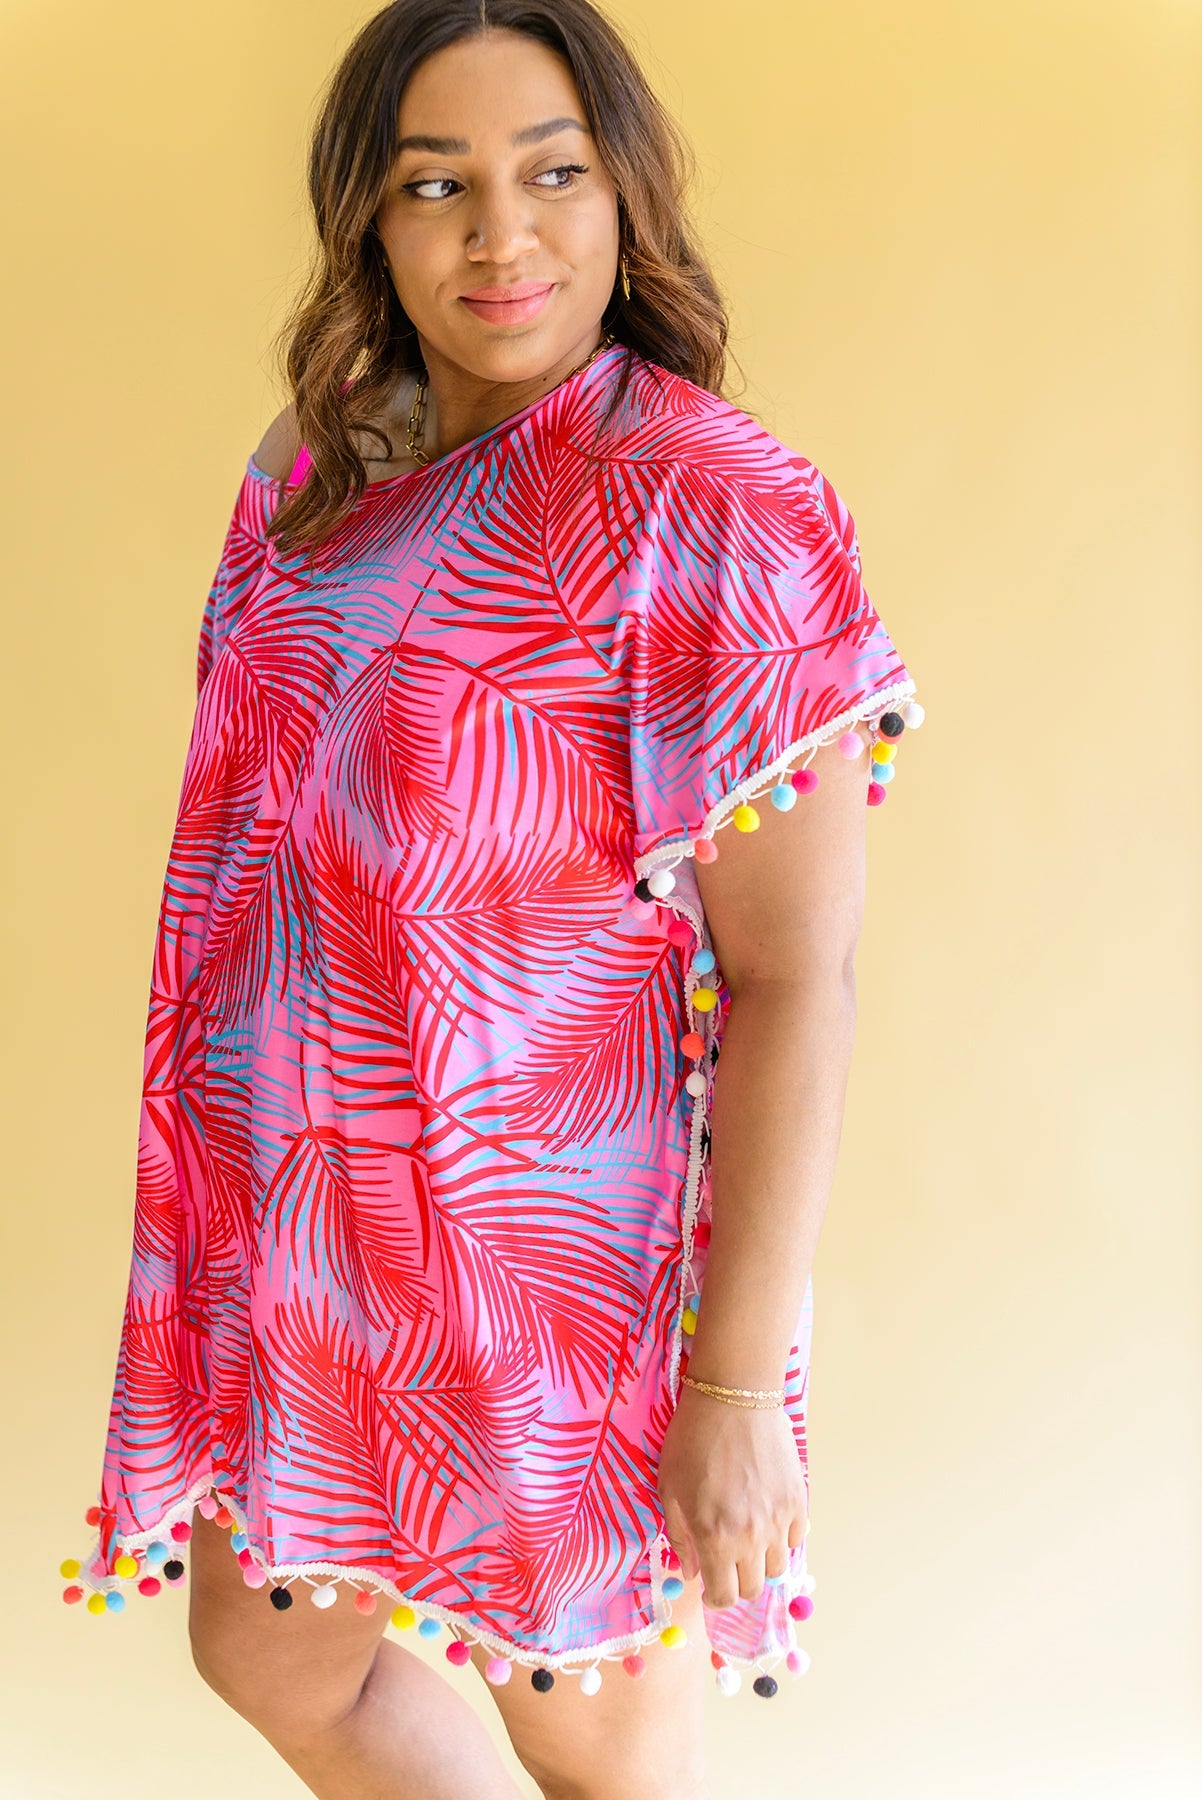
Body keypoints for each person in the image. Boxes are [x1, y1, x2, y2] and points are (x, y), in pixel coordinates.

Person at [57, 2, 924, 1795]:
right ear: (369, 219)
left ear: (626, 192)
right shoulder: (321, 465)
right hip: (311, 1238)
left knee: (601, 1757)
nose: (498, 235)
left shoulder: (710, 505)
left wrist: (730, 1392)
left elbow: (796, 981)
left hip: (557, 1278)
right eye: (434, 184)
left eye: (552, 173)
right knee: (265, 1655)